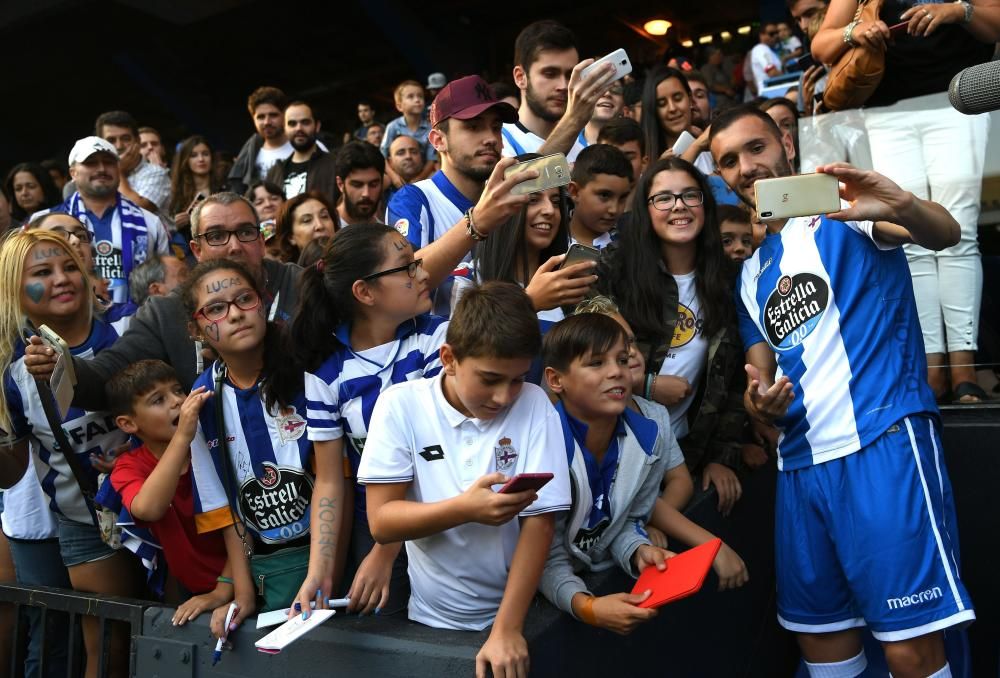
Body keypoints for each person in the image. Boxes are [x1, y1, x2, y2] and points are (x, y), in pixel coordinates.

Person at [711, 104, 972, 678]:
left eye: (755, 148)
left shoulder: (843, 211)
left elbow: (945, 233)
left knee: (910, 649)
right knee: (824, 648)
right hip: (801, 468)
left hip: (883, 443)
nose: (746, 167)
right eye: (728, 161)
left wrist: (900, 203)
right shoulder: (750, 274)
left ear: (785, 142)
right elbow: (761, 378)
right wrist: (761, 404)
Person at [360, 281, 571, 678]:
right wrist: (465, 509)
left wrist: (507, 628)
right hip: (430, 619)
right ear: (449, 358)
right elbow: (382, 522)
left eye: (517, 378)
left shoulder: (535, 402)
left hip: (523, 613)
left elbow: (540, 524)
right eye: (490, 378)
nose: (505, 396)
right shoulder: (401, 404)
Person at [812, 0, 1000, 404]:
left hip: (957, 98)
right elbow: (822, 45)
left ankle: (963, 369)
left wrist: (958, 11)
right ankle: (934, 370)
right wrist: (854, 33)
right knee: (909, 236)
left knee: (960, 231)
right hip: (887, 111)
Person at [0, 230, 141, 678]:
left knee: (169, 630)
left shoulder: (131, 326)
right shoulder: (14, 373)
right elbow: (11, 471)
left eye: (68, 267)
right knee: (107, 652)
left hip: (165, 512)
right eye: (42, 273)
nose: (61, 279)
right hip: (87, 525)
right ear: (14, 292)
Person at [293, 223, 447, 618]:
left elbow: (433, 456)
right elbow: (329, 480)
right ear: (364, 292)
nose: (424, 273)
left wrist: (385, 552)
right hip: (375, 528)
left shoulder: (437, 341)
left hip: (445, 521)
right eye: (407, 267)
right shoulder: (325, 374)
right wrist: (319, 573)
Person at [23, 192, 303, 407]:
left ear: (261, 239)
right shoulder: (166, 311)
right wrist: (61, 368)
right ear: (197, 249)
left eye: (245, 232)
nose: (234, 247)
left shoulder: (301, 286)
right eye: (216, 236)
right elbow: (109, 380)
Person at [177, 259, 327, 635]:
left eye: (244, 299)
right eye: (216, 308)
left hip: (332, 558)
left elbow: (333, 486)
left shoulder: (310, 373)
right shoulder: (201, 402)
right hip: (272, 572)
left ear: (263, 302)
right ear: (196, 328)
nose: (235, 315)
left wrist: (323, 577)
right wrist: (242, 595)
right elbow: (226, 514)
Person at [599, 157, 748, 517]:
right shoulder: (617, 266)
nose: (678, 206)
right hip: (613, 451)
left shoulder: (730, 279)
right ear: (646, 210)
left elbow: (733, 379)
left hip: (683, 456)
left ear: (705, 205)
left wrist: (720, 457)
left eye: (689, 195)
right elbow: (582, 340)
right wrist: (647, 385)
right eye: (663, 198)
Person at [576, 296, 751, 588]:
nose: (629, 355)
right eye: (604, 356)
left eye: (629, 343)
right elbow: (626, 502)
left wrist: (644, 521)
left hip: (630, 547)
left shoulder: (654, 414)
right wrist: (642, 520)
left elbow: (679, 480)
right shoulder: (590, 420)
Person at [538, 312, 673, 634]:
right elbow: (542, 558)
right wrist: (588, 607)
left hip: (590, 578)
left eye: (623, 359)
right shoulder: (543, 446)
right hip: (527, 598)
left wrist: (638, 550)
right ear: (556, 380)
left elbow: (623, 520)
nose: (617, 372)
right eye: (596, 363)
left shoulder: (650, 434)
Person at [106, 360, 229, 623]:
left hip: (241, 579)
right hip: (192, 590)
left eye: (178, 390)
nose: (177, 401)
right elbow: (148, 509)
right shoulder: (130, 466)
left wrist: (226, 588)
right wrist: (182, 437)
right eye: (158, 400)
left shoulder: (215, 444)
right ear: (128, 424)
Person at [386, 75, 519, 315]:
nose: (490, 138)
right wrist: (476, 223)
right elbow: (400, 282)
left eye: (496, 127)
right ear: (438, 140)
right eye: (473, 126)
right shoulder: (414, 199)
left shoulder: (510, 198)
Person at [451, 162, 596, 359]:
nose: (549, 211)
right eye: (533, 200)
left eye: (555, 201)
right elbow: (464, 356)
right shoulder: (466, 279)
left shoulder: (569, 283)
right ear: (501, 209)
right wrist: (529, 302)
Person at [33, 136, 170, 304]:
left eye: (109, 162)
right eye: (91, 163)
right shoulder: (43, 223)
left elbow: (165, 280)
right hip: (67, 324)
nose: (102, 169)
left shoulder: (150, 222)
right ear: (73, 172)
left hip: (138, 324)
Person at [502, 20, 618, 160]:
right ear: (520, 77)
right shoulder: (499, 139)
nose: (563, 85)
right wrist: (573, 120)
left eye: (570, 75)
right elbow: (528, 182)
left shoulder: (587, 142)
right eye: (550, 74)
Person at [96, 111, 171, 215]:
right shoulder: (95, 174)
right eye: (111, 140)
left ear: (137, 140)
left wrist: (118, 172)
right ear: (100, 144)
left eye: (125, 138)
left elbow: (137, 212)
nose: (119, 146)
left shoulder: (157, 173)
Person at [266, 100, 339, 202]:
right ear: (285, 129)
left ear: (317, 126)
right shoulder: (274, 173)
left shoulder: (335, 165)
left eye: (305, 122)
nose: (299, 128)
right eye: (292, 124)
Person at [227, 86, 292, 196]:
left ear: (285, 115)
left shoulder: (304, 147)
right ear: (253, 119)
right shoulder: (250, 153)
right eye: (261, 117)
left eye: (273, 115)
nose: (267, 122)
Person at [567, 144, 633, 249]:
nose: (614, 210)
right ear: (574, 192)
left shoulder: (630, 250)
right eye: (604, 195)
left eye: (622, 198)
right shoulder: (546, 241)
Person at [169, 135, 219, 238]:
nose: (201, 159)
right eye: (194, 155)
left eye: (205, 154)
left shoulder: (224, 188)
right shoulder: (175, 193)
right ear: (185, 160)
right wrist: (173, 225)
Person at [380, 80, 435, 168]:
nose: (417, 100)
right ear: (399, 106)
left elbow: (431, 159)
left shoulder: (430, 129)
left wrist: (418, 179)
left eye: (420, 96)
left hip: (423, 173)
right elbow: (383, 156)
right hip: (398, 172)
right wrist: (394, 177)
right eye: (410, 97)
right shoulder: (392, 127)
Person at [272, 191, 338, 263]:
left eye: (324, 216)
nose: (320, 225)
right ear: (290, 237)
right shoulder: (285, 273)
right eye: (307, 220)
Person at [596, 117, 649, 202]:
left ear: (644, 163)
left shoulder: (656, 208)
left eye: (628, 158)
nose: (619, 164)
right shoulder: (583, 204)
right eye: (610, 156)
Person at [334, 141, 385, 227]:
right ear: (340, 184)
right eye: (357, 185)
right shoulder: (326, 232)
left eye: (373, 184)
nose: (366, 194)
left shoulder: (388, 234)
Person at [385, 135, 426, 205]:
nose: (408, 156)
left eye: (414, 152)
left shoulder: (436, 186)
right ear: (390, 162)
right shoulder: (382, 190)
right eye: (400, 153)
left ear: (422, 158)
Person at [700, 47, 739, 111]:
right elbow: (709, 84)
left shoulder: (720, 67)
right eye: (718, 54)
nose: (721, 56)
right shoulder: (706, 68)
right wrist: (725, 90)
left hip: (729, 103)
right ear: (711, 56)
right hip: (719, 105)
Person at [749, 24, 783, 95]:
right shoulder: (761, 49)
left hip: (774, 90)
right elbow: (772, 72)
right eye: (772, 33)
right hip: (770, 91)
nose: (776, 36)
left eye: (777, 33)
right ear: (762, 35)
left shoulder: (768, 49)